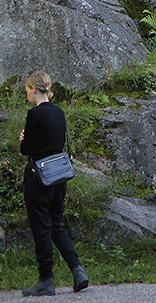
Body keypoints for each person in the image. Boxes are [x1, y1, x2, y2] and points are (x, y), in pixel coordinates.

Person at [20, 70, 89, 297]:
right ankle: (77, 270)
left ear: (34, 89)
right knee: (56, 225)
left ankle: (46, 280)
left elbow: (26, 149)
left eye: (28, 91)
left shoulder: (34, 114)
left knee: (42, 228)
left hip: (39, 177)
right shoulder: (59, 112)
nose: (27, 95)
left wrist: (23, 138)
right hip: (59, 176)